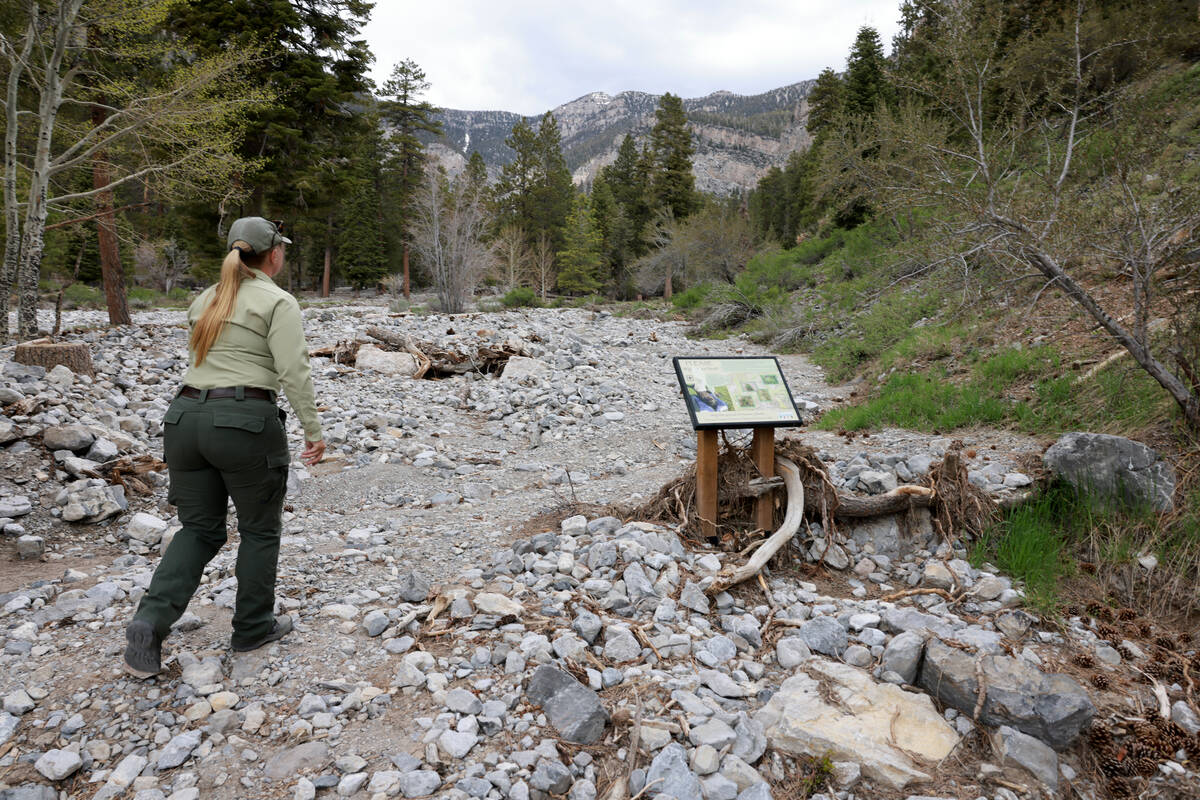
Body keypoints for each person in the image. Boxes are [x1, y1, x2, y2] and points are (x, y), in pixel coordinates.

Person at [123, 217, 325, 679]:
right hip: (244, 423)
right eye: (283, 250)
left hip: (184, 419)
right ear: (273, 253)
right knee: (258, 529)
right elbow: (293, 371)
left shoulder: (205, 298)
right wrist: (313, 430)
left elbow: (203, 362)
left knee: (198, 529)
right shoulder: (278, 301)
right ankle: (252, 626)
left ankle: (149, 622)